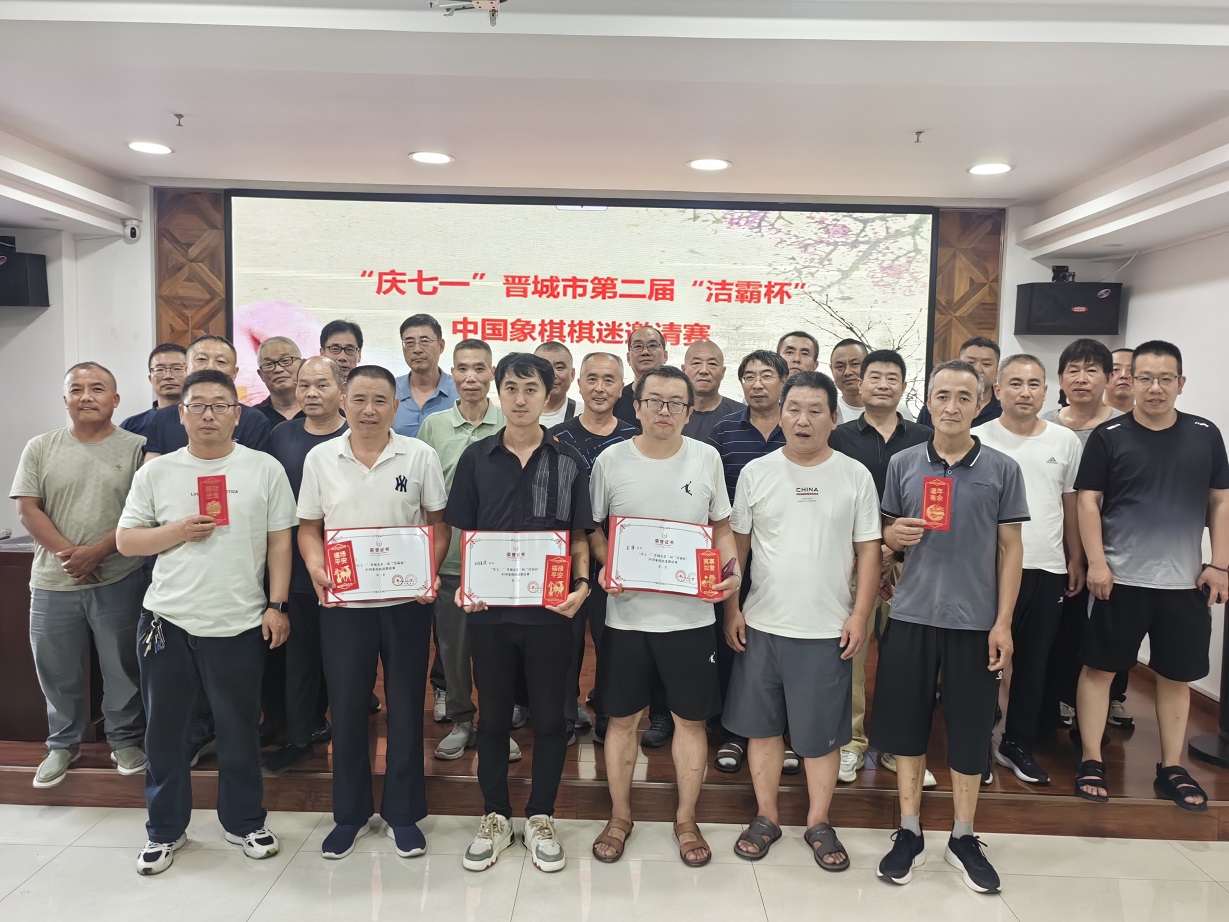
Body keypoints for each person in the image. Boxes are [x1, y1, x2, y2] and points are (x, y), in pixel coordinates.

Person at [116, 369, 296, 876]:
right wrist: (175, 531)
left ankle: (244, 821)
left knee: (238, 730)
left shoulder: (263, 468)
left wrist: (277, 605)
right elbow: (127, 541)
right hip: (168, 620)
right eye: (198, 405)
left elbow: (280, 542)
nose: (209, 415)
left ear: (238, 414)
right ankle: (164, 830)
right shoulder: (157, 472)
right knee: (165, 734)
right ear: (181, 414)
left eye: (220, 405)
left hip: (238, 621)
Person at [873, 359, 1027, 894]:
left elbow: (1011, 549)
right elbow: (887, 536)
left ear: (981, 402)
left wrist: (1003, 623)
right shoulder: (903, 463)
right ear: (928, 400)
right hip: (911, 615)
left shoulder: (1003, 468)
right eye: (942, 395)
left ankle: (963, 836)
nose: (952, 406)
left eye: (964, 397)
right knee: (906, 728)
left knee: (969, 731)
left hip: (975, 623)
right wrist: (892, 538)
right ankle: (909, 830)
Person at [723, 371, 881, 869]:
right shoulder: (757, 472)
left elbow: (869, 551)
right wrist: (731, 607)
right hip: (762, 623)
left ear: (834, 418)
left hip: (826, 629)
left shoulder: (854, 475)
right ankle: (766, 815)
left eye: (815, 410)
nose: (803, 419)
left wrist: (860, 614)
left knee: (821, 737)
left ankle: (818, 821)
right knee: (762, 730)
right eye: (793, 409)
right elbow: (739, 547)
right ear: (780, 414)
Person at [446, 353, 593, 873]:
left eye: (531, 389)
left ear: (548, 395)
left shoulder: (570, 460)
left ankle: (540, 815)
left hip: (551, 613)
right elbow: (465, 534)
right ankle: (495, 815)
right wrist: (467, 586)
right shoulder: (475, 459)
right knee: (492, 719)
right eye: (511, 387)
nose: (520, 398)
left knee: (551, 719)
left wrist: (582, 586)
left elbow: (579, 536)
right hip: (490, 613)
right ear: (498, 391)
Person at [297, 364, 450, 859]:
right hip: (345, 606)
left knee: (405, 707)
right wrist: (316, 567)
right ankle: (350, 814)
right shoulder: (321, 458)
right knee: (346, 710)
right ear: (343, 401)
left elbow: (438, 525)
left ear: (396, 406)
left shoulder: (420, 455)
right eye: (359, 399)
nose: (369, 409)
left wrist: (428, 571)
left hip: (407, 605)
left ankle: (403, 814)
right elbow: (309, 528)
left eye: (380, 400)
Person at [590, 364, 739, 868]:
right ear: (636, 406)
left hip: (691, 619)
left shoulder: (706, 457)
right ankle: (620, 816)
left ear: (689, 412)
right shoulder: (611, 460)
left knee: (689, 721)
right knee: (622, 720)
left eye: (676, 403)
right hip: (626, 618)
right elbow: (593, 529)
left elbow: (721, 529)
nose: (665, 411)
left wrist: (732, 571)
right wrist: (606, 563)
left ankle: (686, 819)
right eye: (654, 401)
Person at [1073, 341, 1228, 812]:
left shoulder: (1205, 434)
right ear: (1129, 380)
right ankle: (1091, 758)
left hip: (1184, 583)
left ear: (1181, 383)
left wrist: (1220, 564)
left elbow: (1220, 500)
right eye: (1144, 378)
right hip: (1119, 580)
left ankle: (1172, 766)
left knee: (1176, 675)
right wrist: (1097, 562)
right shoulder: (1109, 436)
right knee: (1100, 669)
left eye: (1165, 379)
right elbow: (1088, 501)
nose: (1154, 387)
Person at [12, 363, 148, 789]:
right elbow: (28, 509)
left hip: (119, 576)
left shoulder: (138, 448)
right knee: (56, 668)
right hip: (53, 581)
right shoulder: (40, 447)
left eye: (97, 388)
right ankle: (62, 744)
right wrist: (69, 555)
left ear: (116, 399)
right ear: (65, 399)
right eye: (77, 389)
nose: (86, 396)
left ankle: (125, 740)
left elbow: (142, 514)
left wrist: (97, 553)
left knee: (123, 666)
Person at [975, 355, 1083, 785]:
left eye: (1034, 384)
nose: (1025, 392)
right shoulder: (978, 438)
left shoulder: (1065, 441)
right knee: (984, 662)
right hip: (989, 568)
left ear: (1046, 391)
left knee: (1034, 664)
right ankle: (977, 743)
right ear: (997, 390)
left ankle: (1016, 743)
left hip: (1047, 566)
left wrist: (1075, 558)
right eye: (1015, 383)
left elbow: (1070, 504)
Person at [828, 349, 931, 786]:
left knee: (903, 657)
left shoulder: (925, 438)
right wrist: (876, 547)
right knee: (851, 652)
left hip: (913, 563)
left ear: (904, 386)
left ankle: (895, 745)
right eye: (875, 376)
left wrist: (895, 547)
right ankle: (850, 743)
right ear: (859, 383)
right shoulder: (839, 437)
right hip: (854, 561)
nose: (883, 384)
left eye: (892, 377)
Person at [417, 340, 507, 760]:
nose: (471, 377)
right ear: (451, 373)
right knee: (453, 649)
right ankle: (461, 719)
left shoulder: (508, 421)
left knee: (497, 650)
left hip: (499, 560)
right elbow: (423, 495)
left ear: (492, 374)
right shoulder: (434, 426)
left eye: (479, 368)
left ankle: (496, 724)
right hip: (450, 556)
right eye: (463, 368)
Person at [260, 357, 349, 774]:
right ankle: (298, 735)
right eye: (304, 385)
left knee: (340, 659)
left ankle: (327, 725)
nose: (312, 393)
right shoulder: (281, 435)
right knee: (299, 657)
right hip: (292, 564)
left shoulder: (355, 435)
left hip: (349, 567)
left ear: (341, 390)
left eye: (321, 385)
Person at [1039, 340, 1129, 733]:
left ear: (1107, 378)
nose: (1081, 378)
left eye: (1092, 370)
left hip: (1112, 546)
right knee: (1059, 630)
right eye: (1073, 370)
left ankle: (1106, 702)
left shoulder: (1124, 427)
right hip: (1053, 545)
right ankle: (1060, 700)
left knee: (1107, 629)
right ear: (1060, 379)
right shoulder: (1044, 425)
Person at [550, 352, 639, 745]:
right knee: (565, 643)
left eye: (609, 380)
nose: (600, 388)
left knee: (612, 643)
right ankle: (565, 715)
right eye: (592, 379)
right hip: (567, 558)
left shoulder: (636, 438)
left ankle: (607, 713)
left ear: (621, 388)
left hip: (622, 562)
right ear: (579, 383)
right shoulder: (556, 438)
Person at [708, 350, 788, 773]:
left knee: (779, 643)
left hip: (785, 553)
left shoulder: (798, 426)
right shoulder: (723, 431)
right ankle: (732, 731)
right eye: (749, 376)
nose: (757, 384)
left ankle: (782, 733)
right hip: (734, 547)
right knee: (733, 638)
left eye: (767, 375)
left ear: (784, 381)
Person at [143, 335, 272, 459]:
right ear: (186, 368)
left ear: (234, 373)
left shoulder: (254, 420)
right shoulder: (161, 418)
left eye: (221, 361)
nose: (210, 367)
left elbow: (256, 467)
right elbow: (153, 466)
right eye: (201, 359)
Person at [392, 313, 459, 437]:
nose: (417, 349)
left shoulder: (459, 391)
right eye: (409, 343)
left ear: (441, 346)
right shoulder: (390, 389)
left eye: (424, 341)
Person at [916, 337, 1003, 428]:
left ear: (997, 369)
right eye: (970, 362)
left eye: (986, 364)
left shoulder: (1004, 409)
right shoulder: (932, 408)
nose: (977, 369)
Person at [682, 340, 744, 442]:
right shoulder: (670, 413)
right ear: (684, 370)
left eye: (712, 364)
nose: (704, 370)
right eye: (696, 363)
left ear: (723, 372)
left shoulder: (742, 415)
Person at [121, 344, 186, 438]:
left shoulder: (202, 421)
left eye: (177, 369)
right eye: (159, 369)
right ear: (150, 379)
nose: (168, 376)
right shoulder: (130, 427)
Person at [613, 325, 668, 426]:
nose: (645, 352)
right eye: (638, 346)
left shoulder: (678, 398)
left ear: (665, 356)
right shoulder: (615, 399)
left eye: (652, 345)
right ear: (628, 358)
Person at [252, 336, 305, 426]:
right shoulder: (253, 418)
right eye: (268, 364)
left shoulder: (320, 410)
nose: (278, 369)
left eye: (285, 361)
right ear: (261, 375)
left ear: (302, 365)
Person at [535, 341, 578, 427]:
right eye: (544, 368)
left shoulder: (586, 414)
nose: (552, 375)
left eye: (559, 368)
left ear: (572, 374)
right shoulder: (516, 412)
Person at [830, 339, 870, 424]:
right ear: (831, 369)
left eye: (855, 364)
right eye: (840, 366)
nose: (847, 372)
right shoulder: (828, 415)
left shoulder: (894, 411)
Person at [1104, 347, 1135, 414]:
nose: (1124, 375)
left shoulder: (1149, 417)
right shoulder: (1087, 415)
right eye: (1115, 369)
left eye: (1131, 370)